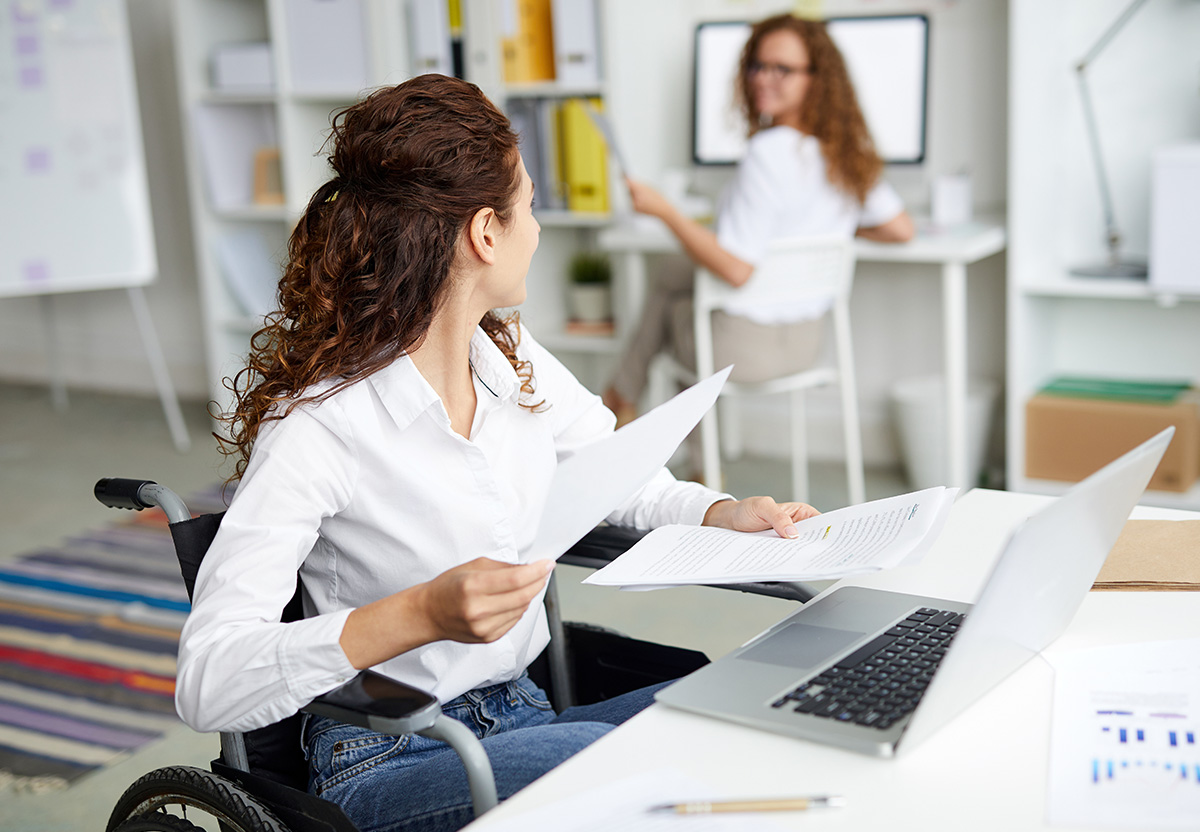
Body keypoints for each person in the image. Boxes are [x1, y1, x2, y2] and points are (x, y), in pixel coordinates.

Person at [175, 74, 818, 832]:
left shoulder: (513, 363)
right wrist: (419, 614)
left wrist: (719, 510)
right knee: (647, 772)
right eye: (531, 206)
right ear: (487, 231)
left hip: (528, 714)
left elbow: (621, 473)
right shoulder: (321, 425)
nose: (537, 231)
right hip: (394, 755)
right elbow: (208, 679)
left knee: (746, 710)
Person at [602, 13, 915, 436]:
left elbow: (736, 268)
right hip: (807, 346)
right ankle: (630, 404)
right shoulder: (847, 154)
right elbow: (900, 229)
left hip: (741, 354)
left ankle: (621, 403)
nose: (764, 78)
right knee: (676, 273)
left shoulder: (766, 153)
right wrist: (832, 227)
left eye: (782, 69)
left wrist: (665, 211)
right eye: (758, 66)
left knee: (673, 306)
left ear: (816, 80)